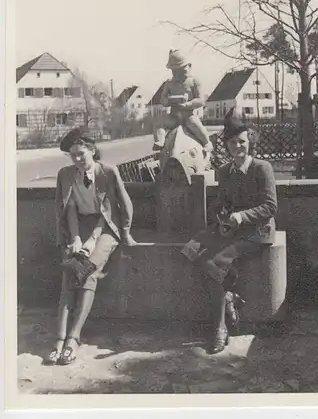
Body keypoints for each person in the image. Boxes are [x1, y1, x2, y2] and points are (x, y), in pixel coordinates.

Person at [181, 116, 278, 354]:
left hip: (257, 231)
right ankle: (228, 298)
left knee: (214, 264)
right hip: (232, 228)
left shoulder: (262, 168)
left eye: (242, 142)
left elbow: (270, 207)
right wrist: (221, 219)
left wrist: (241, 217)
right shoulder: (224, 171)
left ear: (250, 142)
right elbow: (219, 204)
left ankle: (219, 329)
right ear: (227, 145)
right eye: (233, 143)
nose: (238, 147)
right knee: (191, 250)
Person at [45, 128, 135, 365]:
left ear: (92, 151)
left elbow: (117, 206)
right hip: (77, 228)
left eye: (81, 154)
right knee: (69, 273)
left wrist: (95, 238)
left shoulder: (107, 172)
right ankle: (59, 338)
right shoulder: (65, 174)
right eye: (72, 155)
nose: (77, 160)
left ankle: (73, 338)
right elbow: (69, 208)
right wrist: (75, 238)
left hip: (104, 227)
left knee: (87, 272)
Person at [152, 49, 213, 154]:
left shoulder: (194, 81)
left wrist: (188, 104)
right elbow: (163, 99)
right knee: (159, 122)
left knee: (195, 124)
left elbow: (201, 100)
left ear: (189, 66)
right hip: (173, 116)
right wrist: (168, 101)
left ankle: (207, 142)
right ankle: (160, 141)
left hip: (188, 115)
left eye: (181, 71)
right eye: (175, 72)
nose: (178, 75)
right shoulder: (169, 83)